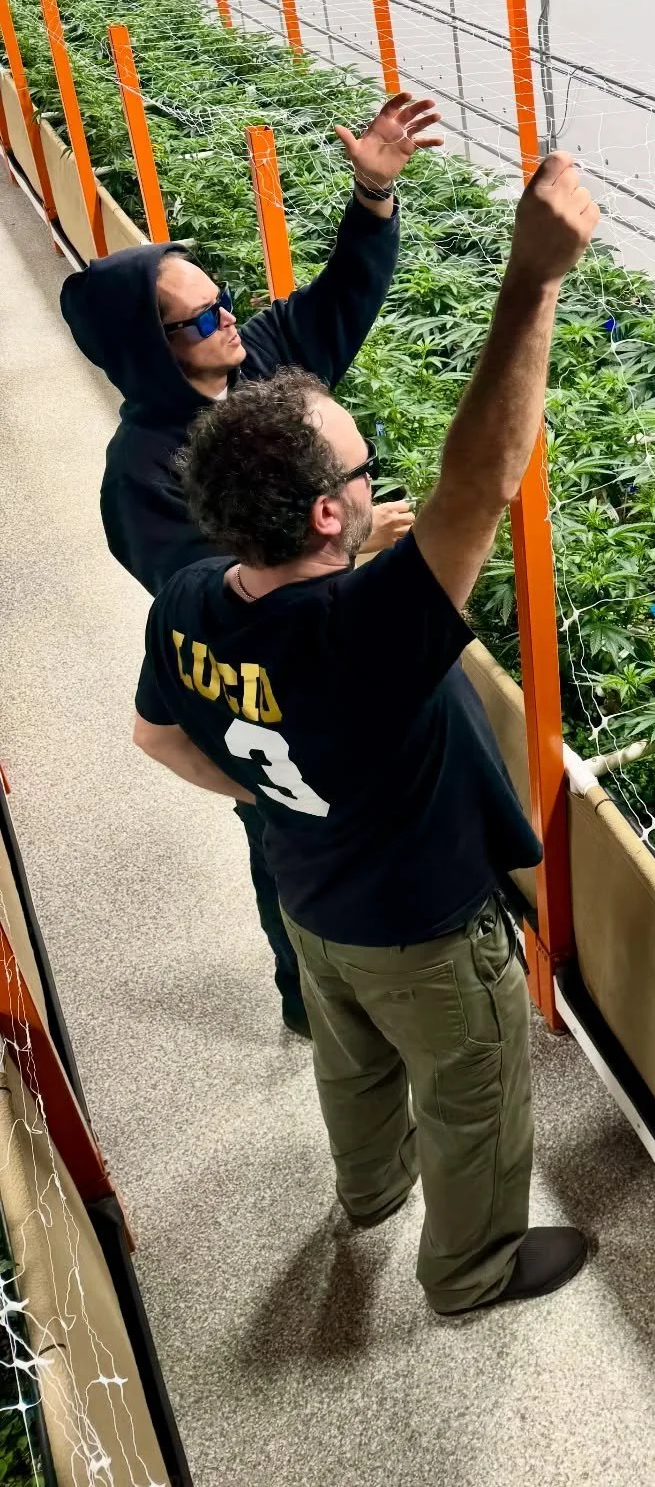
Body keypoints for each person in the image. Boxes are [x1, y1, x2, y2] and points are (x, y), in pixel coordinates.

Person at [130, 150, 601, 1314]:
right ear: (332, 512)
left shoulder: (191, 596)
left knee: (353, 1066)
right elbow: (483, 476)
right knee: (474, 1090)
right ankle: (472, 1267)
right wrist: (532, 280)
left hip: (313, 902)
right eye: (357, 465)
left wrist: (277, 794)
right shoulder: (363, 633)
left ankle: (370, 1195)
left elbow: (152, 739)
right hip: (427, 932)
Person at [59, 93, 441, 1036]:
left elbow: (339, 300)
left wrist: (373, 194)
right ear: (145, 351)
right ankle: (312, 1002)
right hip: (265, 696)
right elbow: (227, 602)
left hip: (347, 654)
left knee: (379, 821)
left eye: (219, 300)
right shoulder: (143, 472)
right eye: (193, 323)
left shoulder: (256, 362)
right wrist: (350, 552)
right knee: (290, 842)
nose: (226, 323)